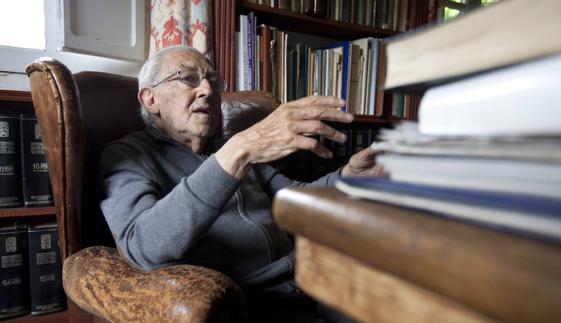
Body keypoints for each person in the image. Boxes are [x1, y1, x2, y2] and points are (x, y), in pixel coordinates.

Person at [99, 46, 385, 322]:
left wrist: (347, 179)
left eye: (213, 80)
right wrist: (237, 153)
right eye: (188, 78)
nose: (208, 91)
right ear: (150, 100)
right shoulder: (128, 155)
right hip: (251, 303)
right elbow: (143, 245)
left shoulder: (230, 147)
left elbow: (295, 201)